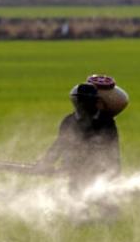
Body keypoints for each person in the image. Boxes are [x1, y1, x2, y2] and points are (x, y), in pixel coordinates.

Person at [36, 80, 122, 217]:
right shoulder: (69, 121)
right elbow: (60, 144)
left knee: (107, 207)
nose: (83, 106)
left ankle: (108, 222)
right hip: (74, 170)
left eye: (86, 102)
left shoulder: (106, 122)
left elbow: (112, 147)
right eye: (81, 102)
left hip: (99, 170)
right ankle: (81, 220)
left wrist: (114, 169)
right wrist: (46, 162)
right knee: (77, 207)